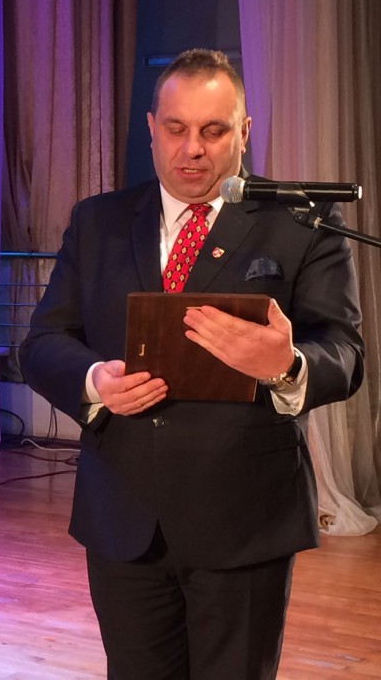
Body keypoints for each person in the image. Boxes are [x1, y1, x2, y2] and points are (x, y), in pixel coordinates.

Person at [19, 49, 364, 679]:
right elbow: (43, 343)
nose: (192, 149)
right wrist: (94, 381)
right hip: (123, 518)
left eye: (213, 130)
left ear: (244, 132)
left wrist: (285, 366)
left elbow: (344, 352)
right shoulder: (97, 221)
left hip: (245, 520)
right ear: (151, 128)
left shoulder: (301, 223)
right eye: (176, 128)